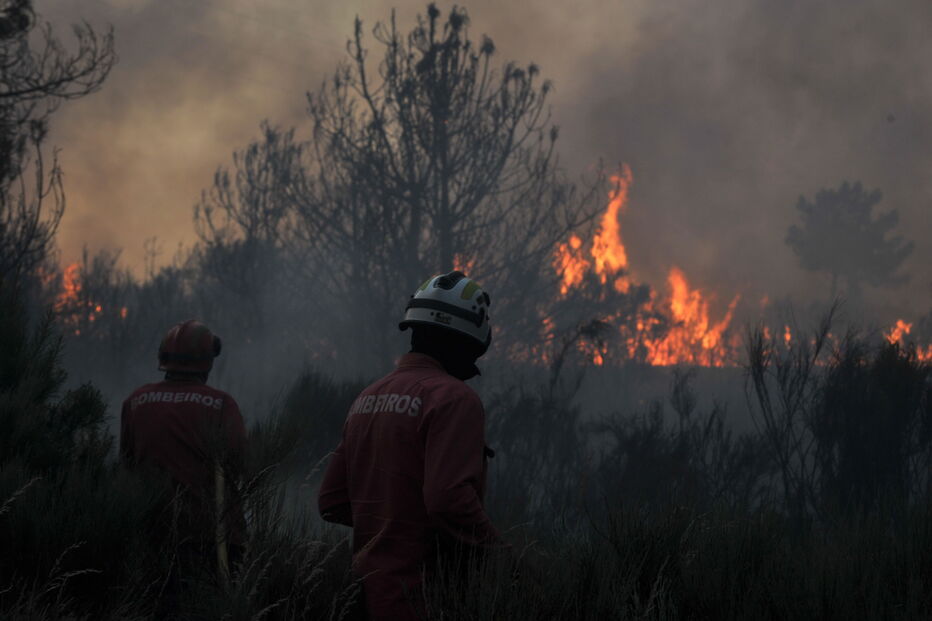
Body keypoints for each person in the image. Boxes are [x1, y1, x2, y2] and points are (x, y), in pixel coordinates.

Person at [319, 271, 506, 620]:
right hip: (423, 600)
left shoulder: (367, 397)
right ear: (468, 342)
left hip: (361, 599)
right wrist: (507, 557)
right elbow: (448, 500)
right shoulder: (454, 398)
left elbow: (332, 501)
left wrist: (389, 522)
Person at [120, 319, 247, 610]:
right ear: (208, 361)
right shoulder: (221, 404)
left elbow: (126, 464)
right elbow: (240, 464)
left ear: (163, 358)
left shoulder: (135, 402)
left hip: (152, 537)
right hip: (211, 538)